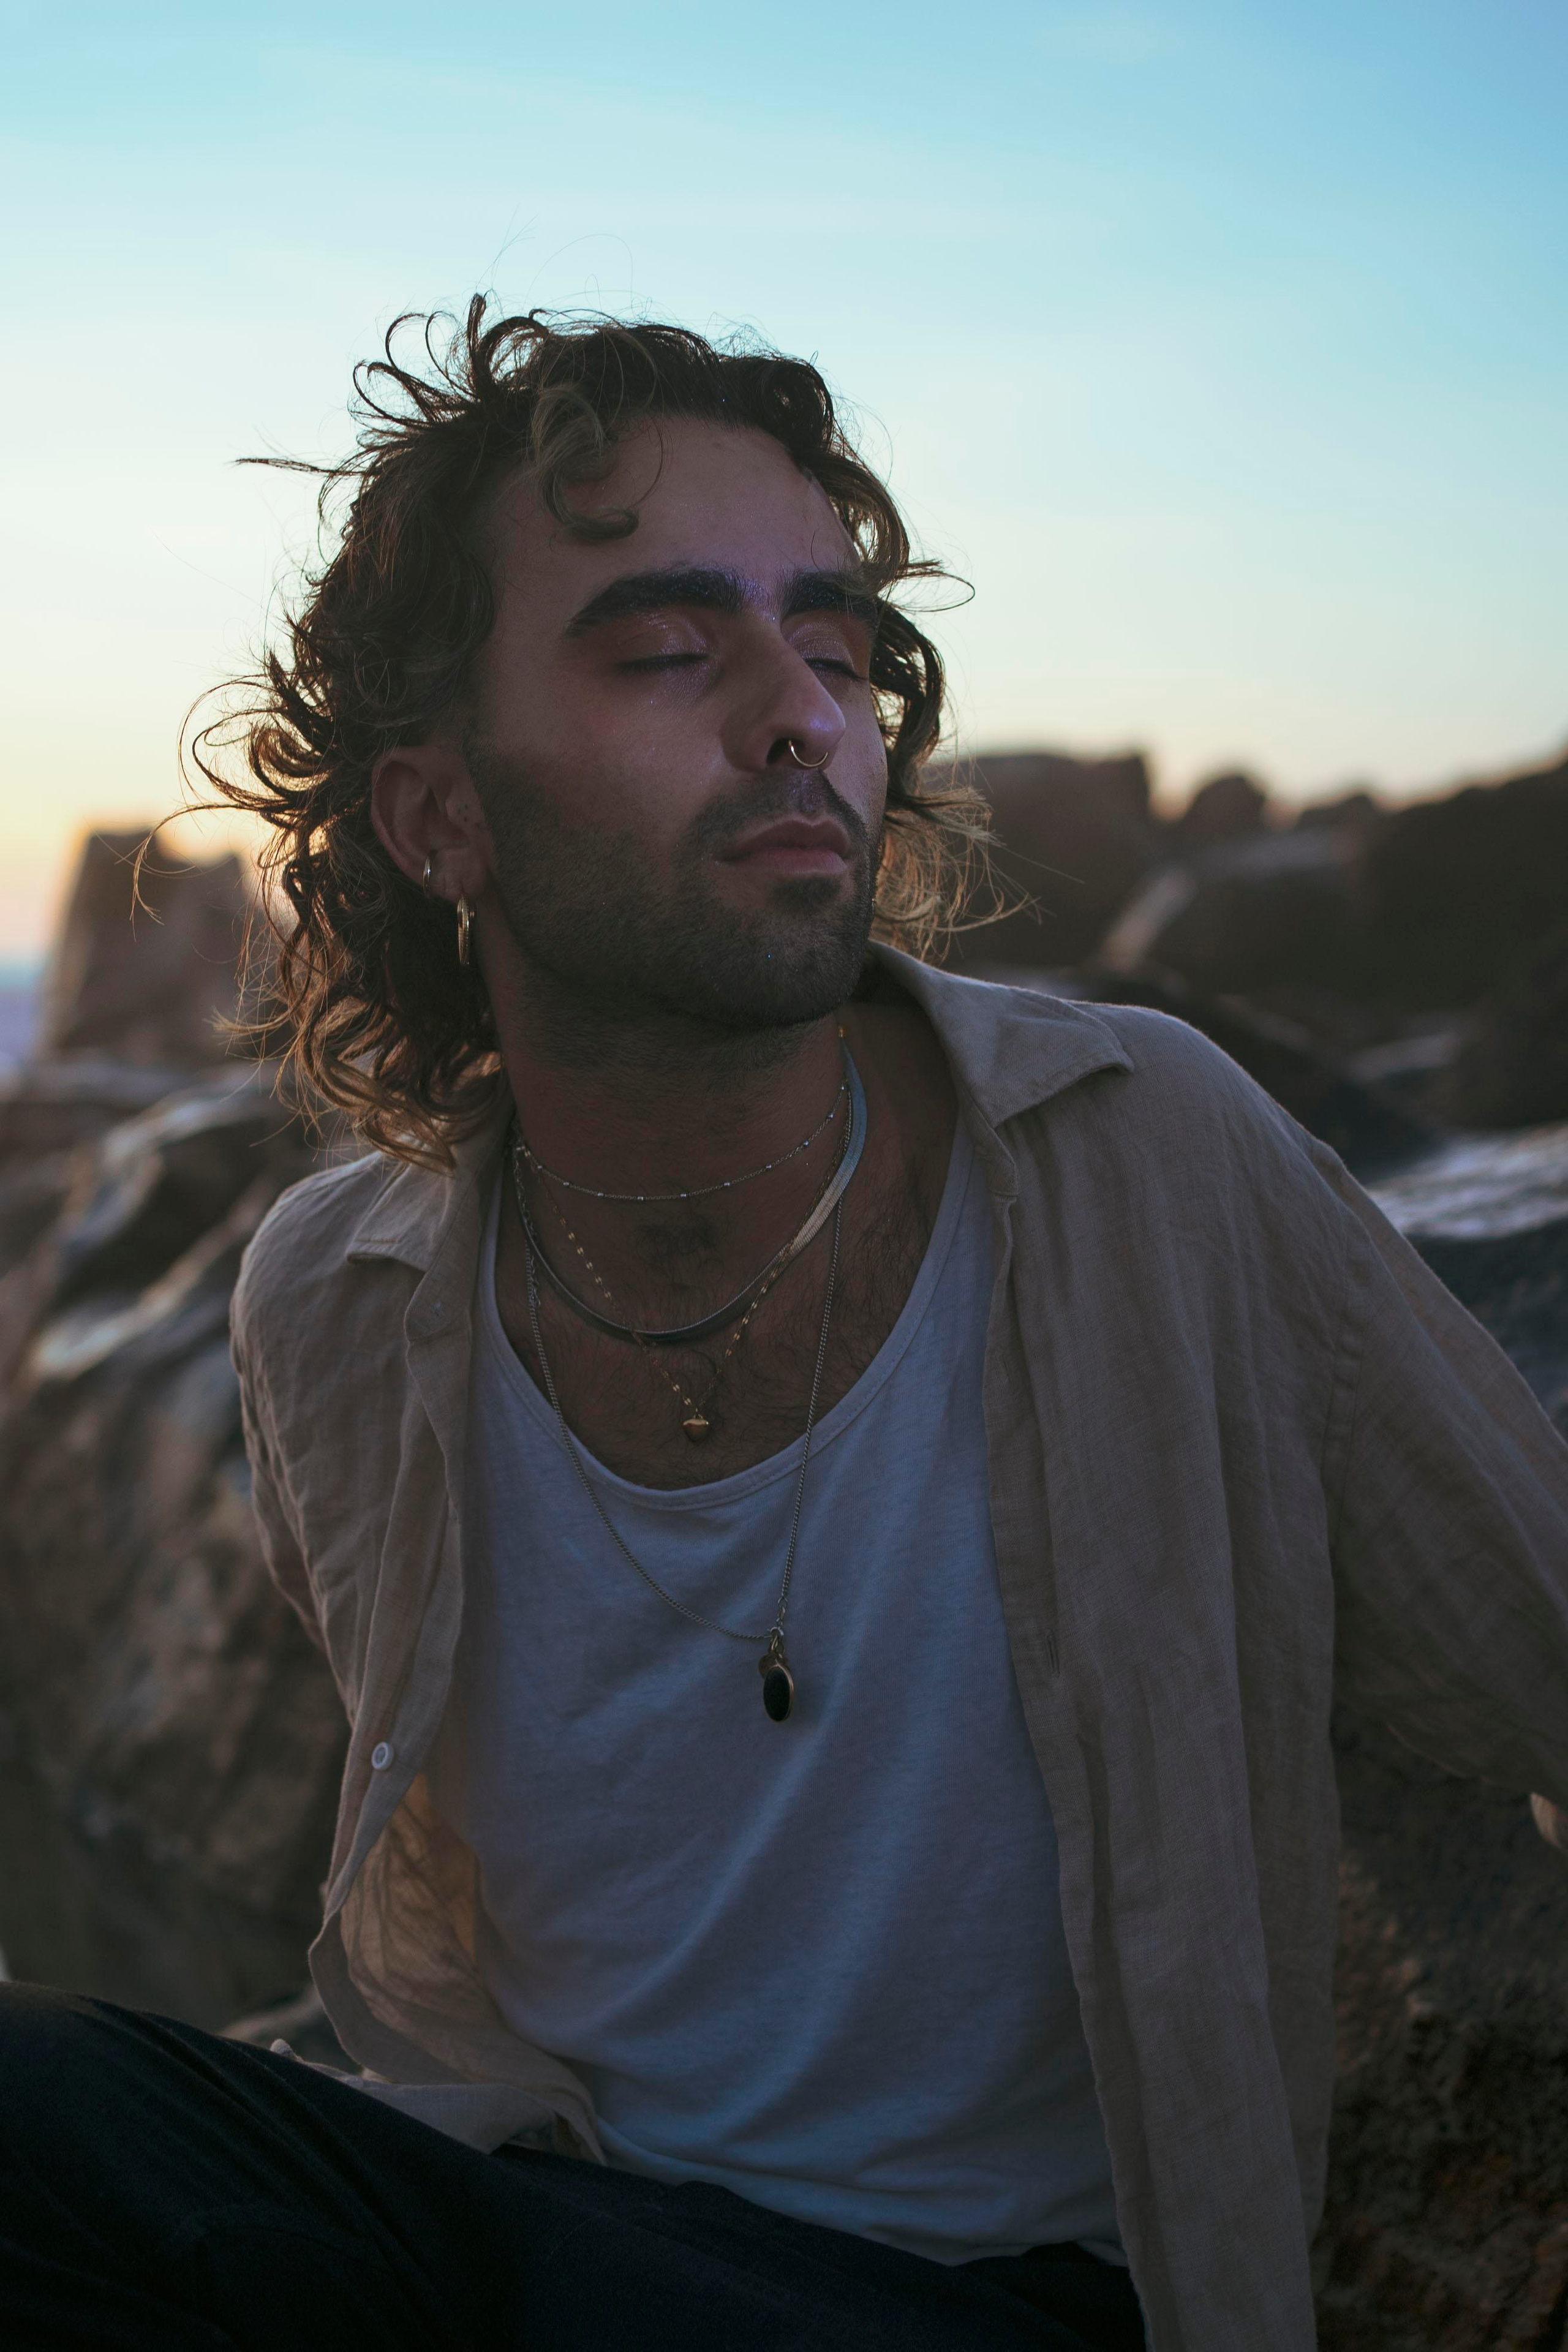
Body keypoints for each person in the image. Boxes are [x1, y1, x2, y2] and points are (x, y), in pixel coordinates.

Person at [4, 305, 1566, 2352]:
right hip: (532, 2216)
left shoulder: (1139, 1158)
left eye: (835, 648)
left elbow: (1531, 1622)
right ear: (436, 819)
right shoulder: (337, 1297)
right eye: (667, 650)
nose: (798, 716)